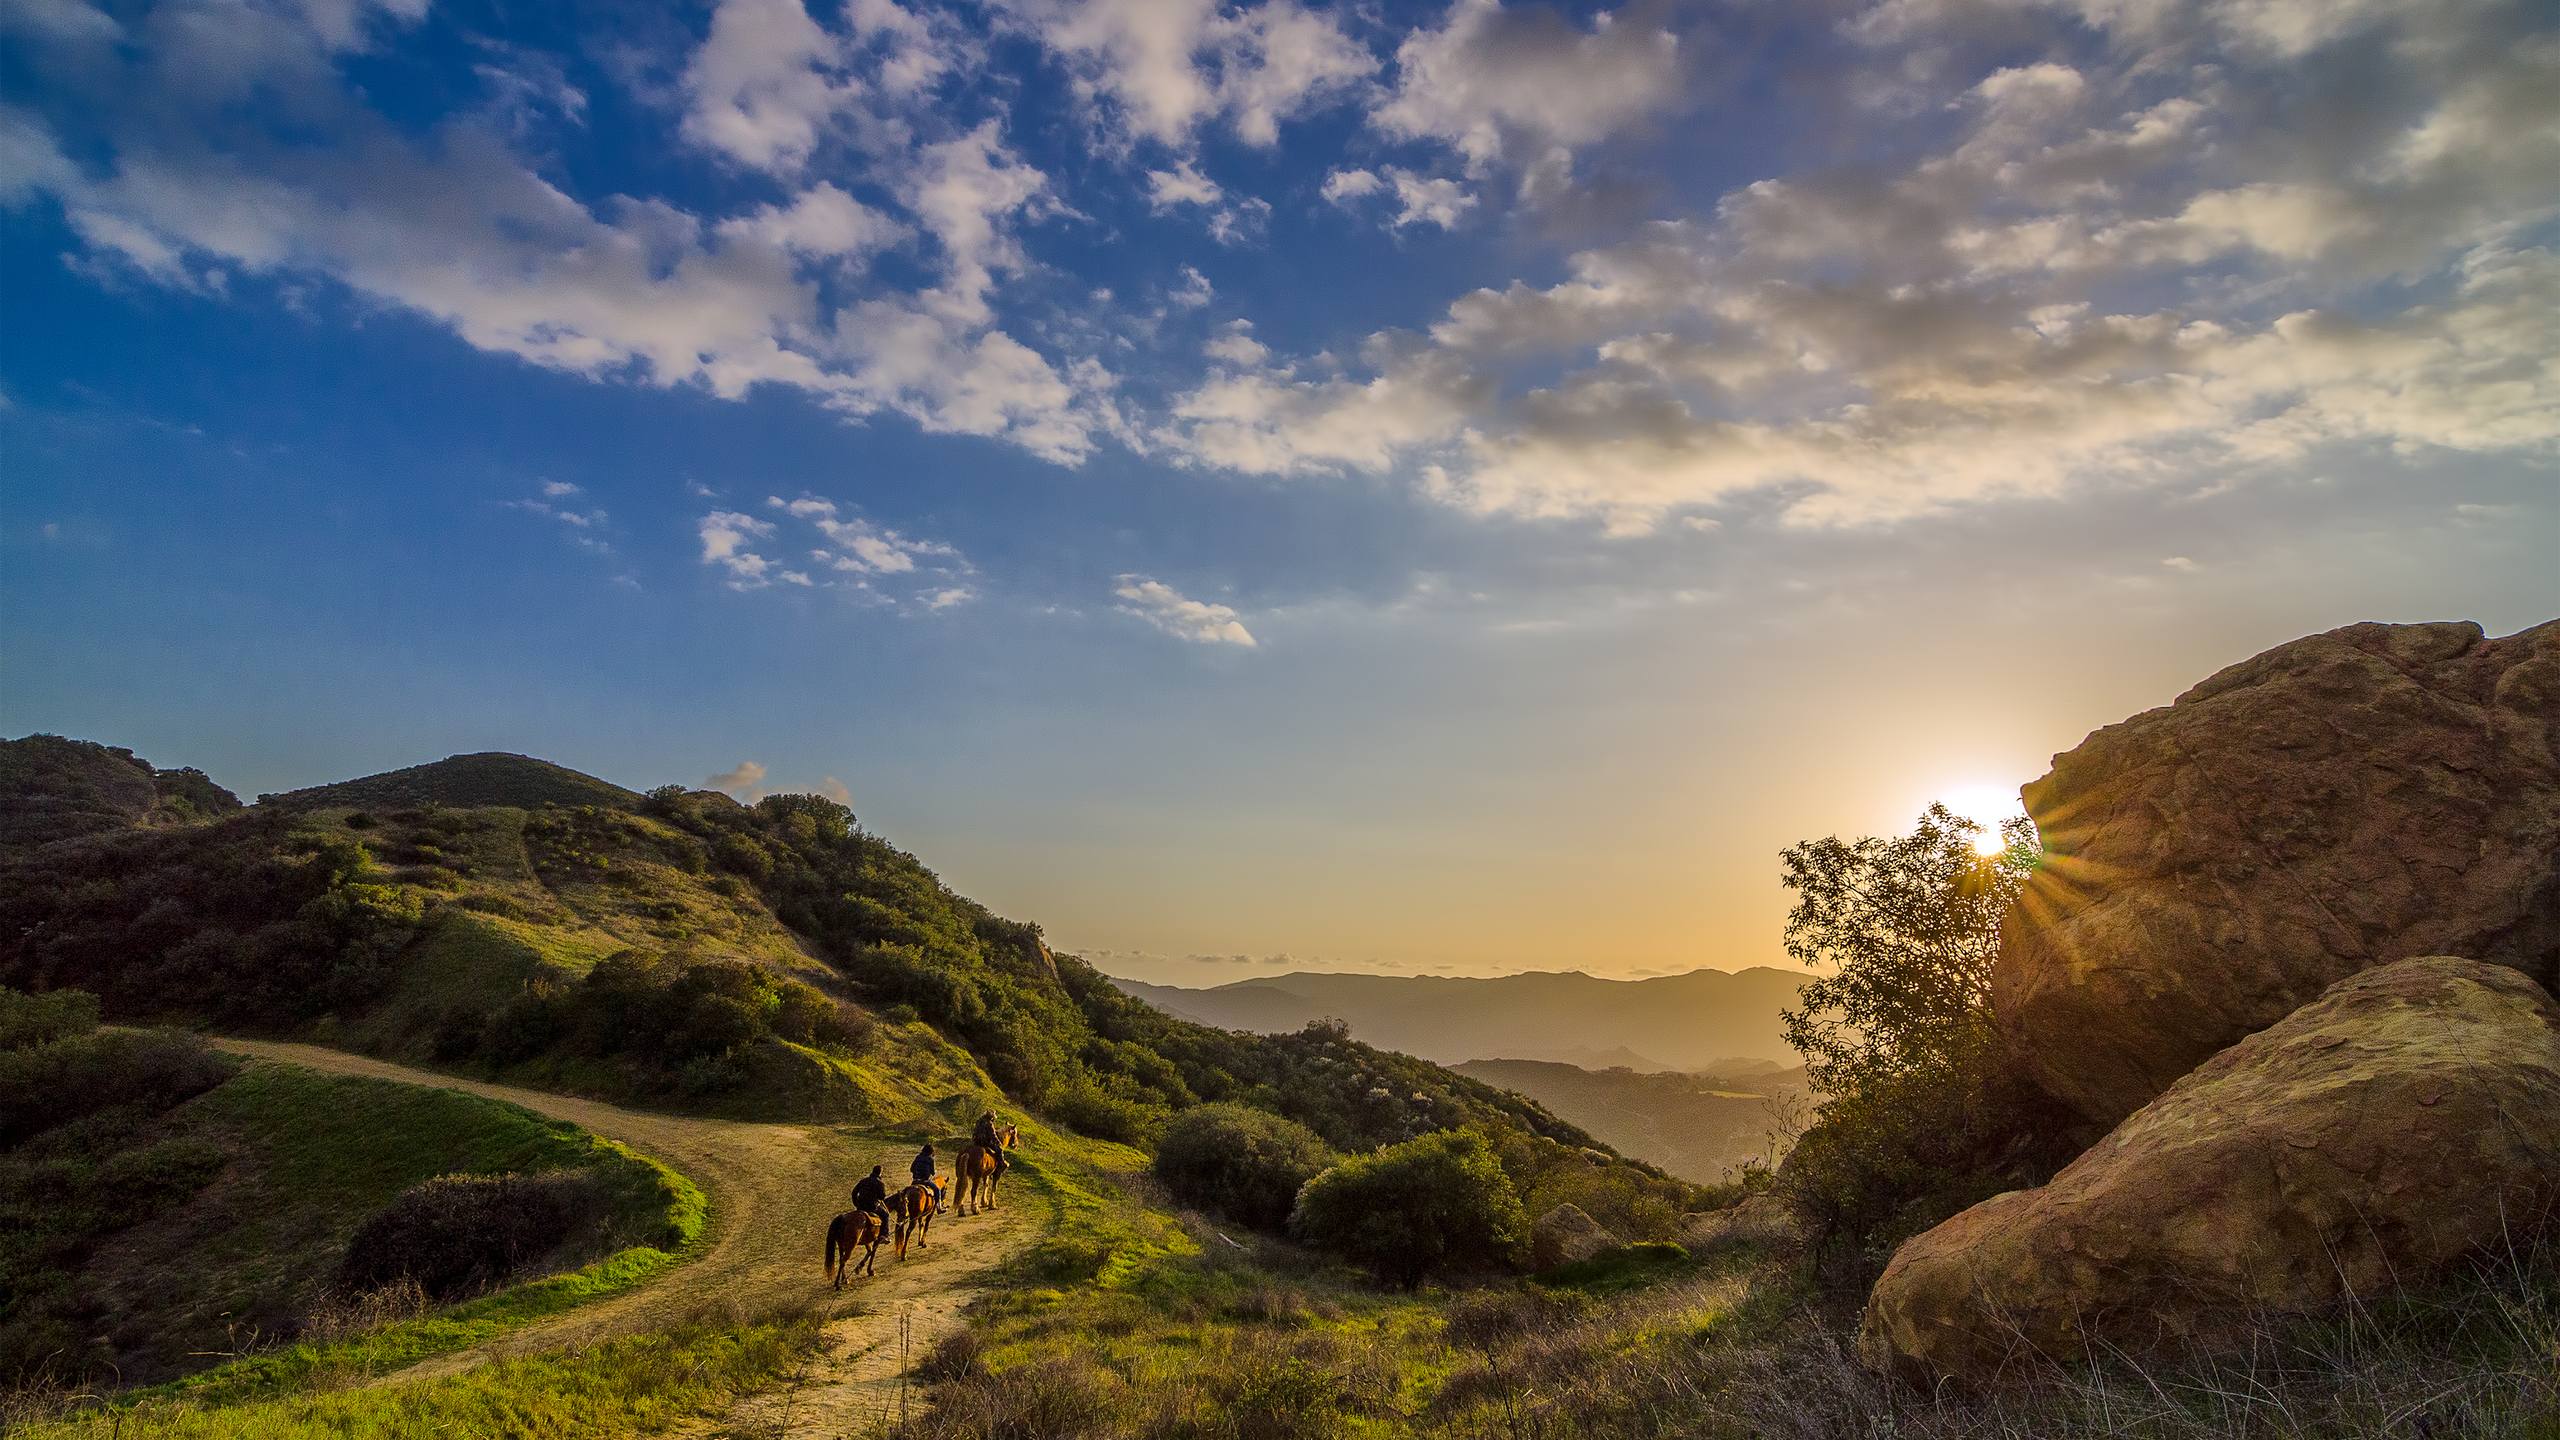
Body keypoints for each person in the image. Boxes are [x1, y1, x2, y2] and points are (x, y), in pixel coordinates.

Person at [850, 1164, 888, 1230]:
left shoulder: (863, 1181)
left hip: (861, 1206)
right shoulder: (880, 1183)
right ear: (880, 1173)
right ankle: (884, 1235)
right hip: (872, 1207)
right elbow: (882, 1197)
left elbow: (854, 1192)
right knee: (885, 1215)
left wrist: (856, 1204)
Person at [972, 1110, 1008, 1178]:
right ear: (991, 1117)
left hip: (976, 1141)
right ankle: (1000, 1165)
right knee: (999, 1150)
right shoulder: (989, 1123)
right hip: (985, 1143)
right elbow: (993, 1135)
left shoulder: (979, 1121)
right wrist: (998, 1143)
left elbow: (974, 1131)